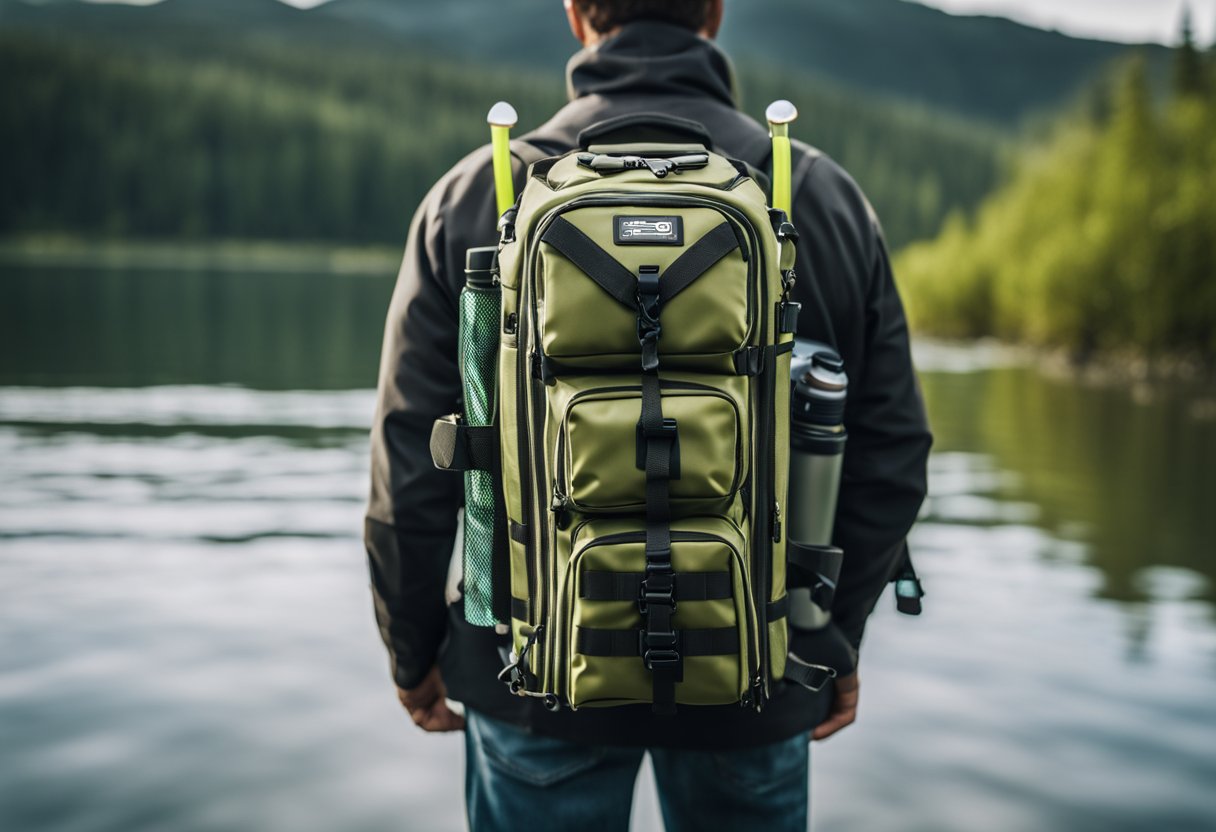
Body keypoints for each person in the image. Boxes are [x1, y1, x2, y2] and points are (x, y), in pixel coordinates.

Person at [365, 1, 932, 829]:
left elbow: (411, 464)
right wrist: (824, 635)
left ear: (574, 13)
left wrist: (412, 648)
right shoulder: (819, 196)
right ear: (715, 11)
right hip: (755, 681)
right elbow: (892, 453)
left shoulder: (475, 197)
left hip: (530, 678)